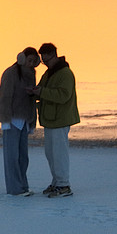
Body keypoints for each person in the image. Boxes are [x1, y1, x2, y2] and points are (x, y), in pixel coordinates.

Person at [31, 42, 80, 198]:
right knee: (51, 153)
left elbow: (63, 96)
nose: (44, 60)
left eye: (45, 56)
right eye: (42, 57)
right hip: (50, 119)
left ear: (53, 54)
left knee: (59, 154)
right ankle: (57, 182)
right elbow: (42, 90)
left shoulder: (65, 73)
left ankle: (64, 185)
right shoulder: (49, 73)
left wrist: (42, 92)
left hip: (60, 119)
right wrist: (35, 92)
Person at [0, 47, 40, 196]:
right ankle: (14, 189)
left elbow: (32, 100)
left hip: (25, 122)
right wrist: (5, 120)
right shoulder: (11, 73)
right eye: (29, 60)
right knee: (11, 157)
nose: (31, 63)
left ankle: (23, 186)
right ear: (22, 58)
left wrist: (32, 122)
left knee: (23, 157)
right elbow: (3, 98)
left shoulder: (31, 74)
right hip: (12, 120)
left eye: (34, 61)